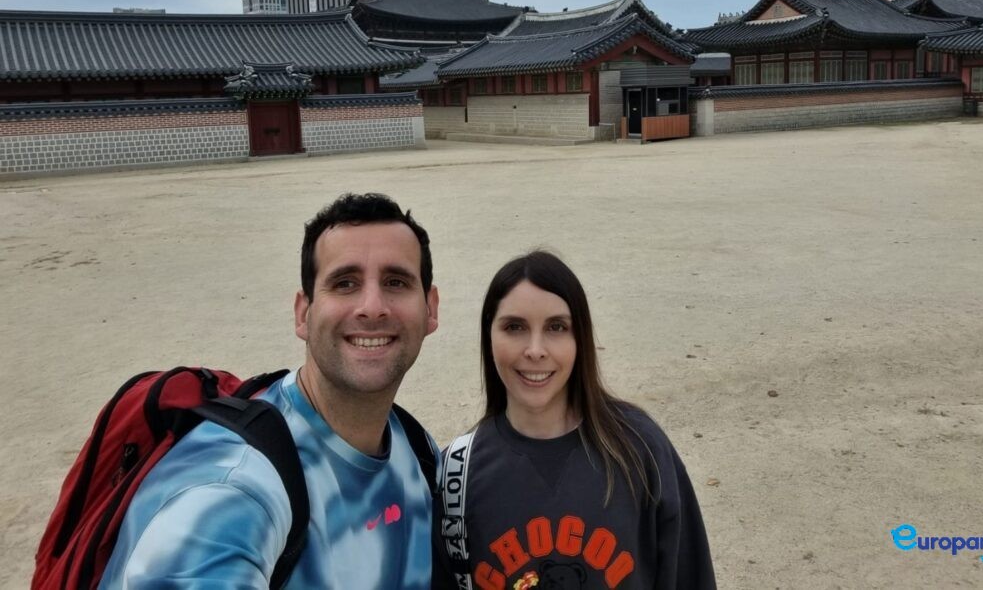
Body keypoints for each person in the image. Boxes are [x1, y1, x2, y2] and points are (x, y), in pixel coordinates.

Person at [100, 192, 440, 588]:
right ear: (303, 313)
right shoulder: (231, 491)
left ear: (430, 309)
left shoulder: (416, 448)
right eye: (344, 283)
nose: (371, 306)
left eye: (396, 282)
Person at [434, 250, 716, 589]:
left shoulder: (638, 448)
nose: (535, 349)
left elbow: (689, 576)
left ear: (579, 337)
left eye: (556, 327)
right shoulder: (455, 476)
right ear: (489, 337)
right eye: (514, 327)